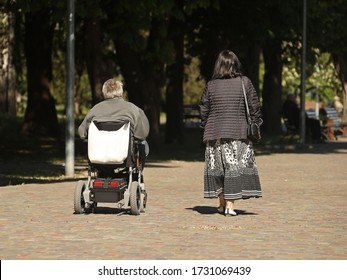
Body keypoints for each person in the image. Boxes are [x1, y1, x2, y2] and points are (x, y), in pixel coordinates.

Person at [199, 50, 262, 217]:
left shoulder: (211, 85)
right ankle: (229, 206)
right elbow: (254, 106)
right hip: (239, 132)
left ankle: (221, 204)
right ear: (235, 64)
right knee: (233, 169)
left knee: (218, 170)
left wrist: (206, 125)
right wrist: (256, 124)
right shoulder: (245, 82)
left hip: (214, 133)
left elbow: (204, 108)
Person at [78, 79, 150, 170]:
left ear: (104, 92)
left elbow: (82, 133)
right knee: (143, 144)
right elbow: (141, 135)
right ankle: (137, 175)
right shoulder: (133, 109)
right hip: (124, 156)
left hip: (98, 156)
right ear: (121, 92)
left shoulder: (95, 110)